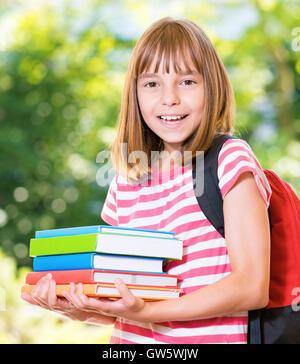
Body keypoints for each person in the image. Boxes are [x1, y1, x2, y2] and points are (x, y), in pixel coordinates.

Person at [21, 17, 272, 344]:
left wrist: (147, 312)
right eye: (152, 84)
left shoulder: (228, 159)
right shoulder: (126, 184)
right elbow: (129, 306)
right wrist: (81, 311)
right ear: (135, 93)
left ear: (212, 86)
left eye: (187, 82)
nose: (169, 98)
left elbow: (252, 287)